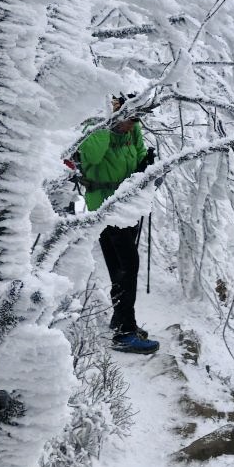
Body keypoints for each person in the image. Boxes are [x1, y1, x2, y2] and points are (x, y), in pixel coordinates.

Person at [78, 96, 160, 354]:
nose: (131, 126)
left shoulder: (133, 127)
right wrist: (108, 126)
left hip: (128, 205)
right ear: (114, 112)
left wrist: (145, 164)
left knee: (120, 265)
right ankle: (125, 332)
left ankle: (121, 320)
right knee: (127, 265)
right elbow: (91, 156)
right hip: (104, 205)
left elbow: (137, 155)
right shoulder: (94, 128)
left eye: (136, 120)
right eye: (127, 119)